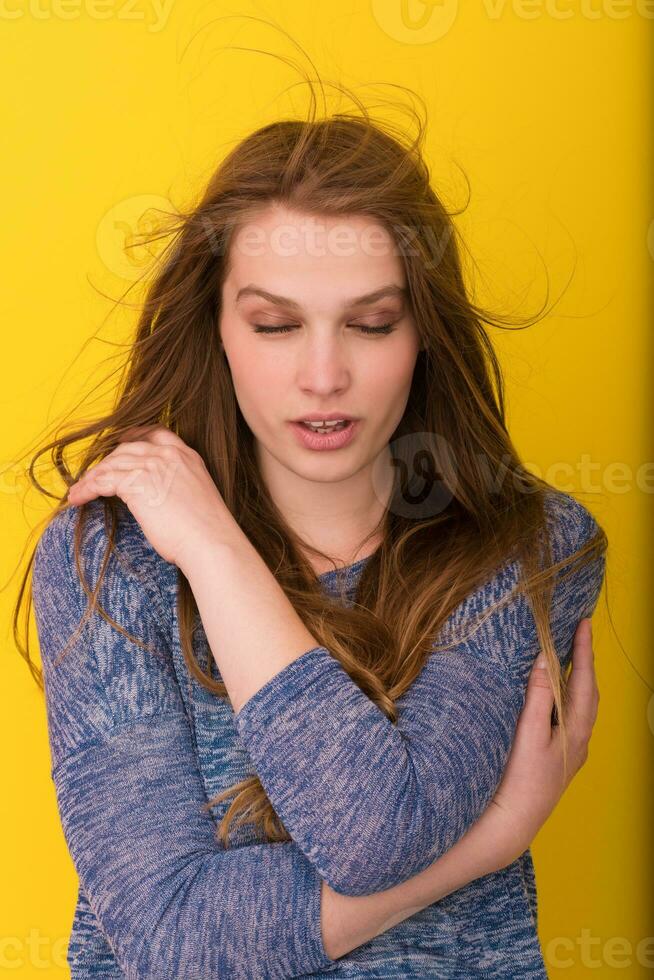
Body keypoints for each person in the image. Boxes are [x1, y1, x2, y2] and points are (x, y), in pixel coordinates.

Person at [21, 97, 607, 978]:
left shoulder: (527, 547)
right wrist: (491, 841)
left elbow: (374, 831)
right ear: (216, 327)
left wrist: (216, 555)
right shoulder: (113, 559)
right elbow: (174, 944)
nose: (325, 377)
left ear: (424, 336)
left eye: (371, 323)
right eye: (275, 325)